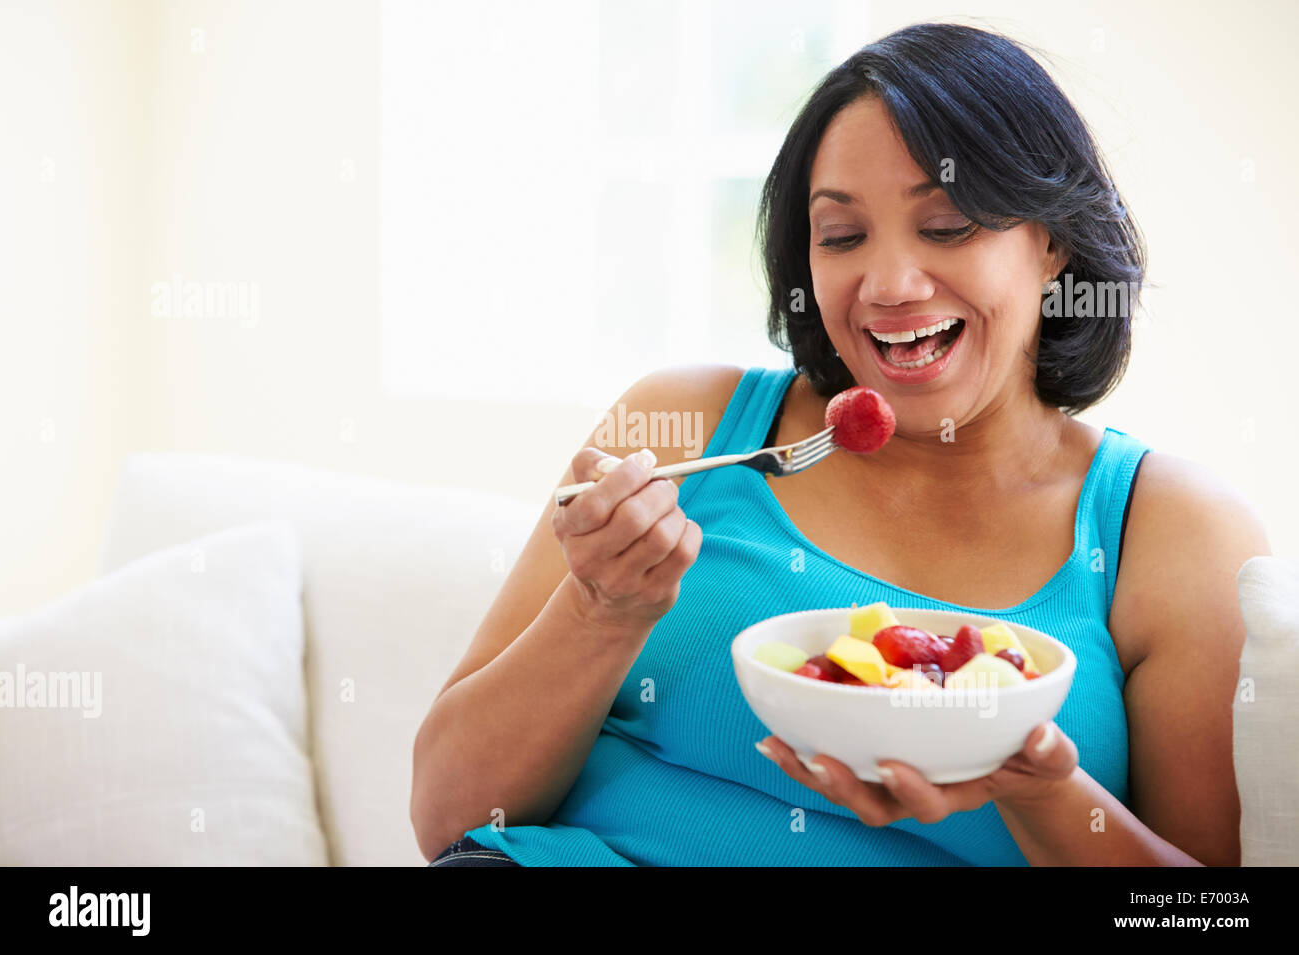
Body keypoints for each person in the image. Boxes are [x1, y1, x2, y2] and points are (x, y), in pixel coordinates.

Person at [412, 21, 1270, 867]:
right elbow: (448, 814)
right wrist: (603, 611)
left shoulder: (1172, 531)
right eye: (843, 236)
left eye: (946, 227)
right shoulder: (686, 423)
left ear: (1052, 243)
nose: (890, 285)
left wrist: (1038, 790)